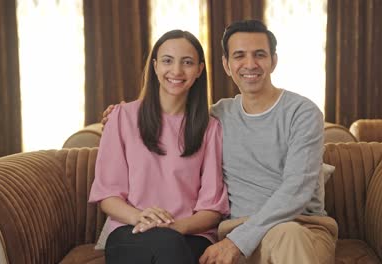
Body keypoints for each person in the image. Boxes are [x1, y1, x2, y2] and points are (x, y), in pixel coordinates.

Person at [102, 20, 337, 264]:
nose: (250, 64)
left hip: (296, 228)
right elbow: (171, 117)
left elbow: (297, 189)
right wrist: (118, 116)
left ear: (273, 61)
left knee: (289, 234)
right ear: (226, 64)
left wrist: (236, 242)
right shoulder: (217, 116)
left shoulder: (302, 113)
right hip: (236, 231)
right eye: (239, 56)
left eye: (259, 55)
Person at [89, 29, 229, 264]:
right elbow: (108, 195)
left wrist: (176, 227)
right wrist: (141, 217)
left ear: (199, 70)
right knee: (164, 245)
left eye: (187, 62)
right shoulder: (122, 117)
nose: (176, 71)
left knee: (169, 244)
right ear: (154, 66)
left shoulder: (210, 128)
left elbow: (212, 208)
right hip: (130, 229)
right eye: (167, 61)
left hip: (190, 234)